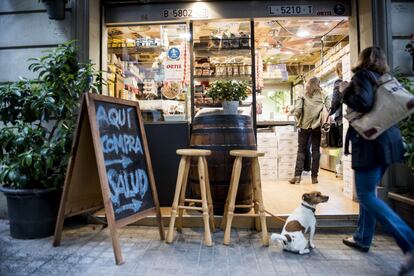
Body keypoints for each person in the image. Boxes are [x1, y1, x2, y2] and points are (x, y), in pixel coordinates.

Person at [340, 46, 414, 275]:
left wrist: (344, 91)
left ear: (363, 59)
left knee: (365, 195)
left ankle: (409, 241)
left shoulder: (362, 75)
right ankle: (363, 238)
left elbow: (362, 102)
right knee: (369, 192)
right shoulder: (384, 77)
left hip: (371, 142)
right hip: (389, 140)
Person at [289, 77, 330, 184]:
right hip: (316, 127)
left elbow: (297, 110)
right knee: (315, 151)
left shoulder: (303, 94)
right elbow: (329, 108)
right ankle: (314, 177)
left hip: (304, 127)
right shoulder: (323, 94)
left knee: (301, 151)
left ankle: (297, 176)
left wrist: (295, 117)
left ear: (308, 84)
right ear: (318, 84)